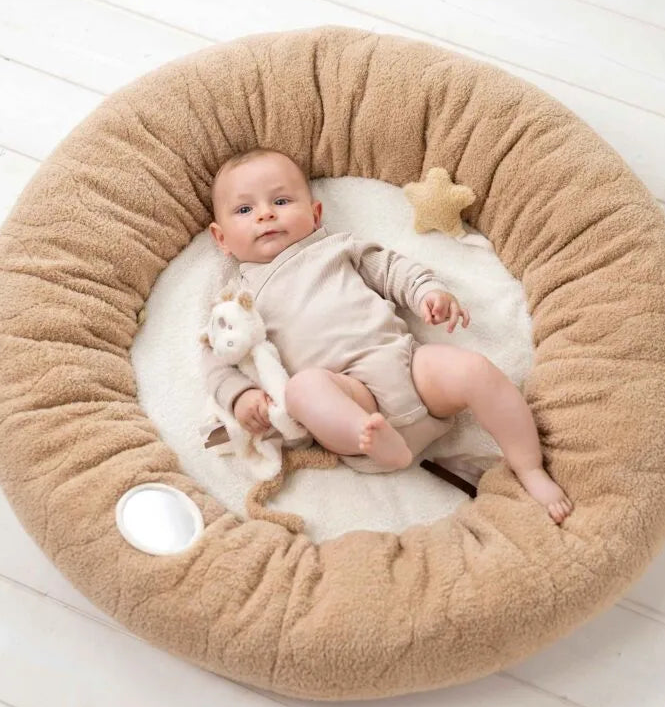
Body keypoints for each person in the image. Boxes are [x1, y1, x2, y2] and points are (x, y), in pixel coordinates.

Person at [203, 147, 573, 524]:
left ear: (315, 215)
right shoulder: (236, 302)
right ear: (221, 238)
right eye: (245, 210)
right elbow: (216, 361)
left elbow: (395, 271)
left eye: (281, 200)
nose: (266, 214)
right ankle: (378, 443)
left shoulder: (338, 248)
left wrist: (428, 293)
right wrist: (241, 397)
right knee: (303, 389)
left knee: (475, 370)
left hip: (408, 369)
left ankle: (529, 467)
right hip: (351, 399)